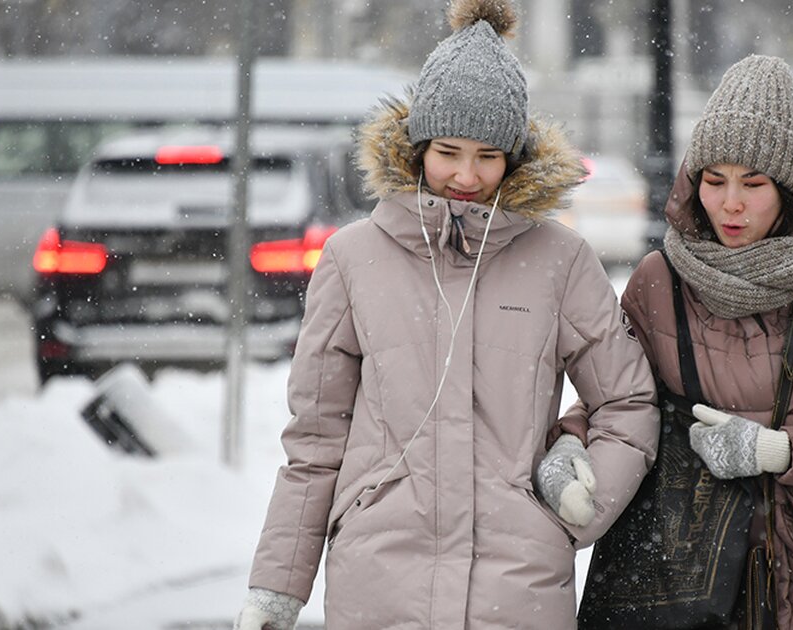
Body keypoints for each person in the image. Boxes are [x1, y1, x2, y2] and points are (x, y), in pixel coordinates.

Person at [234, 1, 659, 628]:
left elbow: (628, 404)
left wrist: (569, 517)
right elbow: (317, 438)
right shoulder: (354, 259)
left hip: (517, 589)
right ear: (416, 148)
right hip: (380, 583)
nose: (465, 174)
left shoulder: (560, 261)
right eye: (448, 150)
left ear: (513, 157)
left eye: (488, 155)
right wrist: (277, 586)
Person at [542, 55, 793, 629]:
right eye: (714, 182)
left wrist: (780, 451)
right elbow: (619, 399)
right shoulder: (659, 281)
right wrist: (570, 445)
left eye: (754, 183)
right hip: (677, 573)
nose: (731, 204)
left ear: (789, 186)